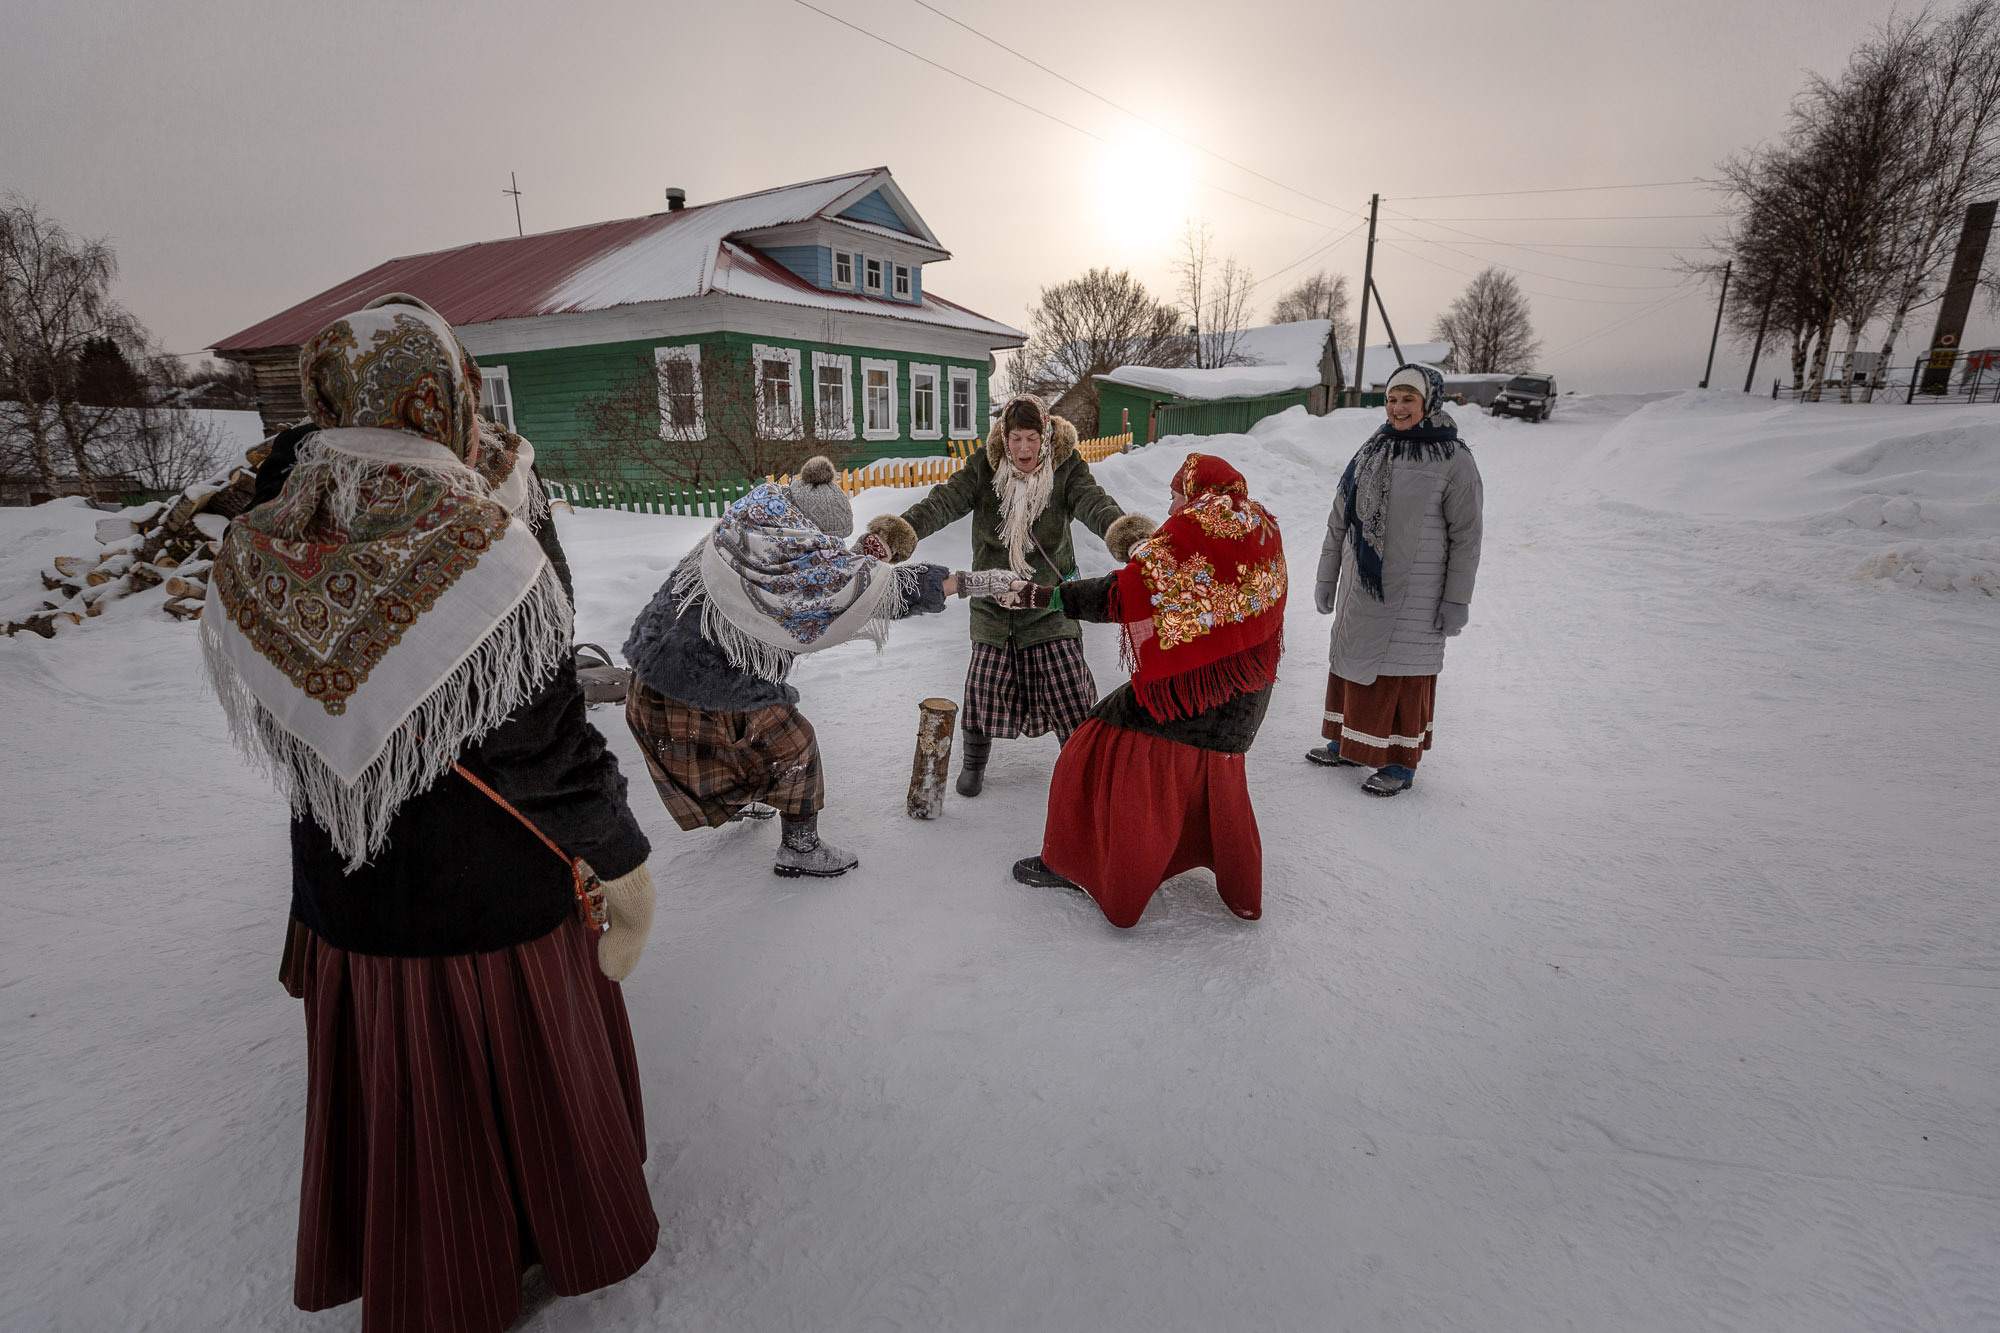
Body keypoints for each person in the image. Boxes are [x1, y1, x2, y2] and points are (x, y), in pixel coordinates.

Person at [204, 294, 660, 1332]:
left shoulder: (276, 524)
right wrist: (620, 860)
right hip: (481, 901)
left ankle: (423, 1248)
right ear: (444, 389)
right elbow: (541, 738)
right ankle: (513, 1252)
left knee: (409, 1099)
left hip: (345, 891)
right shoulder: (477, 542)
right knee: (501, 1081)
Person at [622, 458, 1008, 876]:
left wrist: (854, 560)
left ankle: (741, 801)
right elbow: (855, 584)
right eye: (825, 539)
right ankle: (799, 850)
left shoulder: (754, 519)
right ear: (805, 529)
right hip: (701, 685)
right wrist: (966, 582)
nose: (825, 548)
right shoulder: (793, 558)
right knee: (794, 745)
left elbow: (821, 575)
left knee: (735, 744)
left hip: (649, 672)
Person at [1010, 453, 1287, 928]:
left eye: (1175, 493)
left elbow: (1127, 593)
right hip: (1244, 694)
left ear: (1196, 492)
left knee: (1090, 747)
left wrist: (1047, 595)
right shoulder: (1257, 524)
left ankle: (1079, 866)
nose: (1170, 505)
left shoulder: (1194, 531)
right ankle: (1232, 879)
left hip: (1191, 696)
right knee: (1204, 772)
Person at [866, 394, 1155, 796]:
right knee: (982, 688)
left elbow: (1096, 505)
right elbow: (942, 502)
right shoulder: (984, 469)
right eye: (1016, 438)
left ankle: (1083, 767)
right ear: (1005, 436)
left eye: (1032, 438)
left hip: (1049, 603)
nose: (1023, 449)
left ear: (1047, 437)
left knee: (1070, 690)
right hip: (993, 604)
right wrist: (896, 535)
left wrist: (1129, 538)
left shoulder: (1066, 469)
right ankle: (974, 764)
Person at [1307, 362, 1484, 795]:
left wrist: (1456, 599)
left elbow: (1467, 536)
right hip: (1361, 588)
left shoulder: (1454, 458)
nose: (1398, 408)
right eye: (1391, 399)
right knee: (1353, 664)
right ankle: (1348, 743)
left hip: (1416, 596)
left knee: (1400, 675)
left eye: (1408, 399)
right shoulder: (1371, 450)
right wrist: (1327, 576)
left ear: (1429, 403)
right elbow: (1339, 520)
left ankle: (1400, 765)